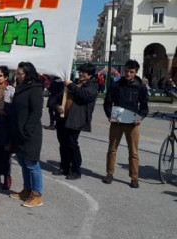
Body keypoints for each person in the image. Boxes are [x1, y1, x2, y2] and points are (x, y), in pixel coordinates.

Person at [103, 59, 149, 188]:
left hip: (132, 124)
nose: (128, 73)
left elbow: (144, 107)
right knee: (112, 149)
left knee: (133, 152)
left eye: (131, 72)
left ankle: (134, 178)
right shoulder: (116, 85)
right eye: (126, 71)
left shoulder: (141, 87)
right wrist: (109, 116)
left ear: (136, 72)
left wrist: (140, 117)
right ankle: (109, 174)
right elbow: (108, 103)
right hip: (116, 122)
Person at [53, 63, 98, 180]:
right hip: (63, 117)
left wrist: (71, 85)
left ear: (90, 74)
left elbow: (83, 96)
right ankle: (64, 167)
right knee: (63, 143)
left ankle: (76, 170)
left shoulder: (91, 86)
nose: (82, 74)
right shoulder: (75, 83)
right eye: (81, 71)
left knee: (72, 144)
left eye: (85, 72)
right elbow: (57, 98)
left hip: (76, 119)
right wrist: (58, 107)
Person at [9, 62, 44, 208]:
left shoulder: (35, 90)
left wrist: (27, 131)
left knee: (32, 164)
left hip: (30, 134)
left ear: (28, 74)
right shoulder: (20, 88)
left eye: (20, 74)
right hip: (19, 132)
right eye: (16, 73)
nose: (17, 76)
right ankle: (27, 190)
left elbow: (36, 113)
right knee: (23, 162)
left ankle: (37, 195)